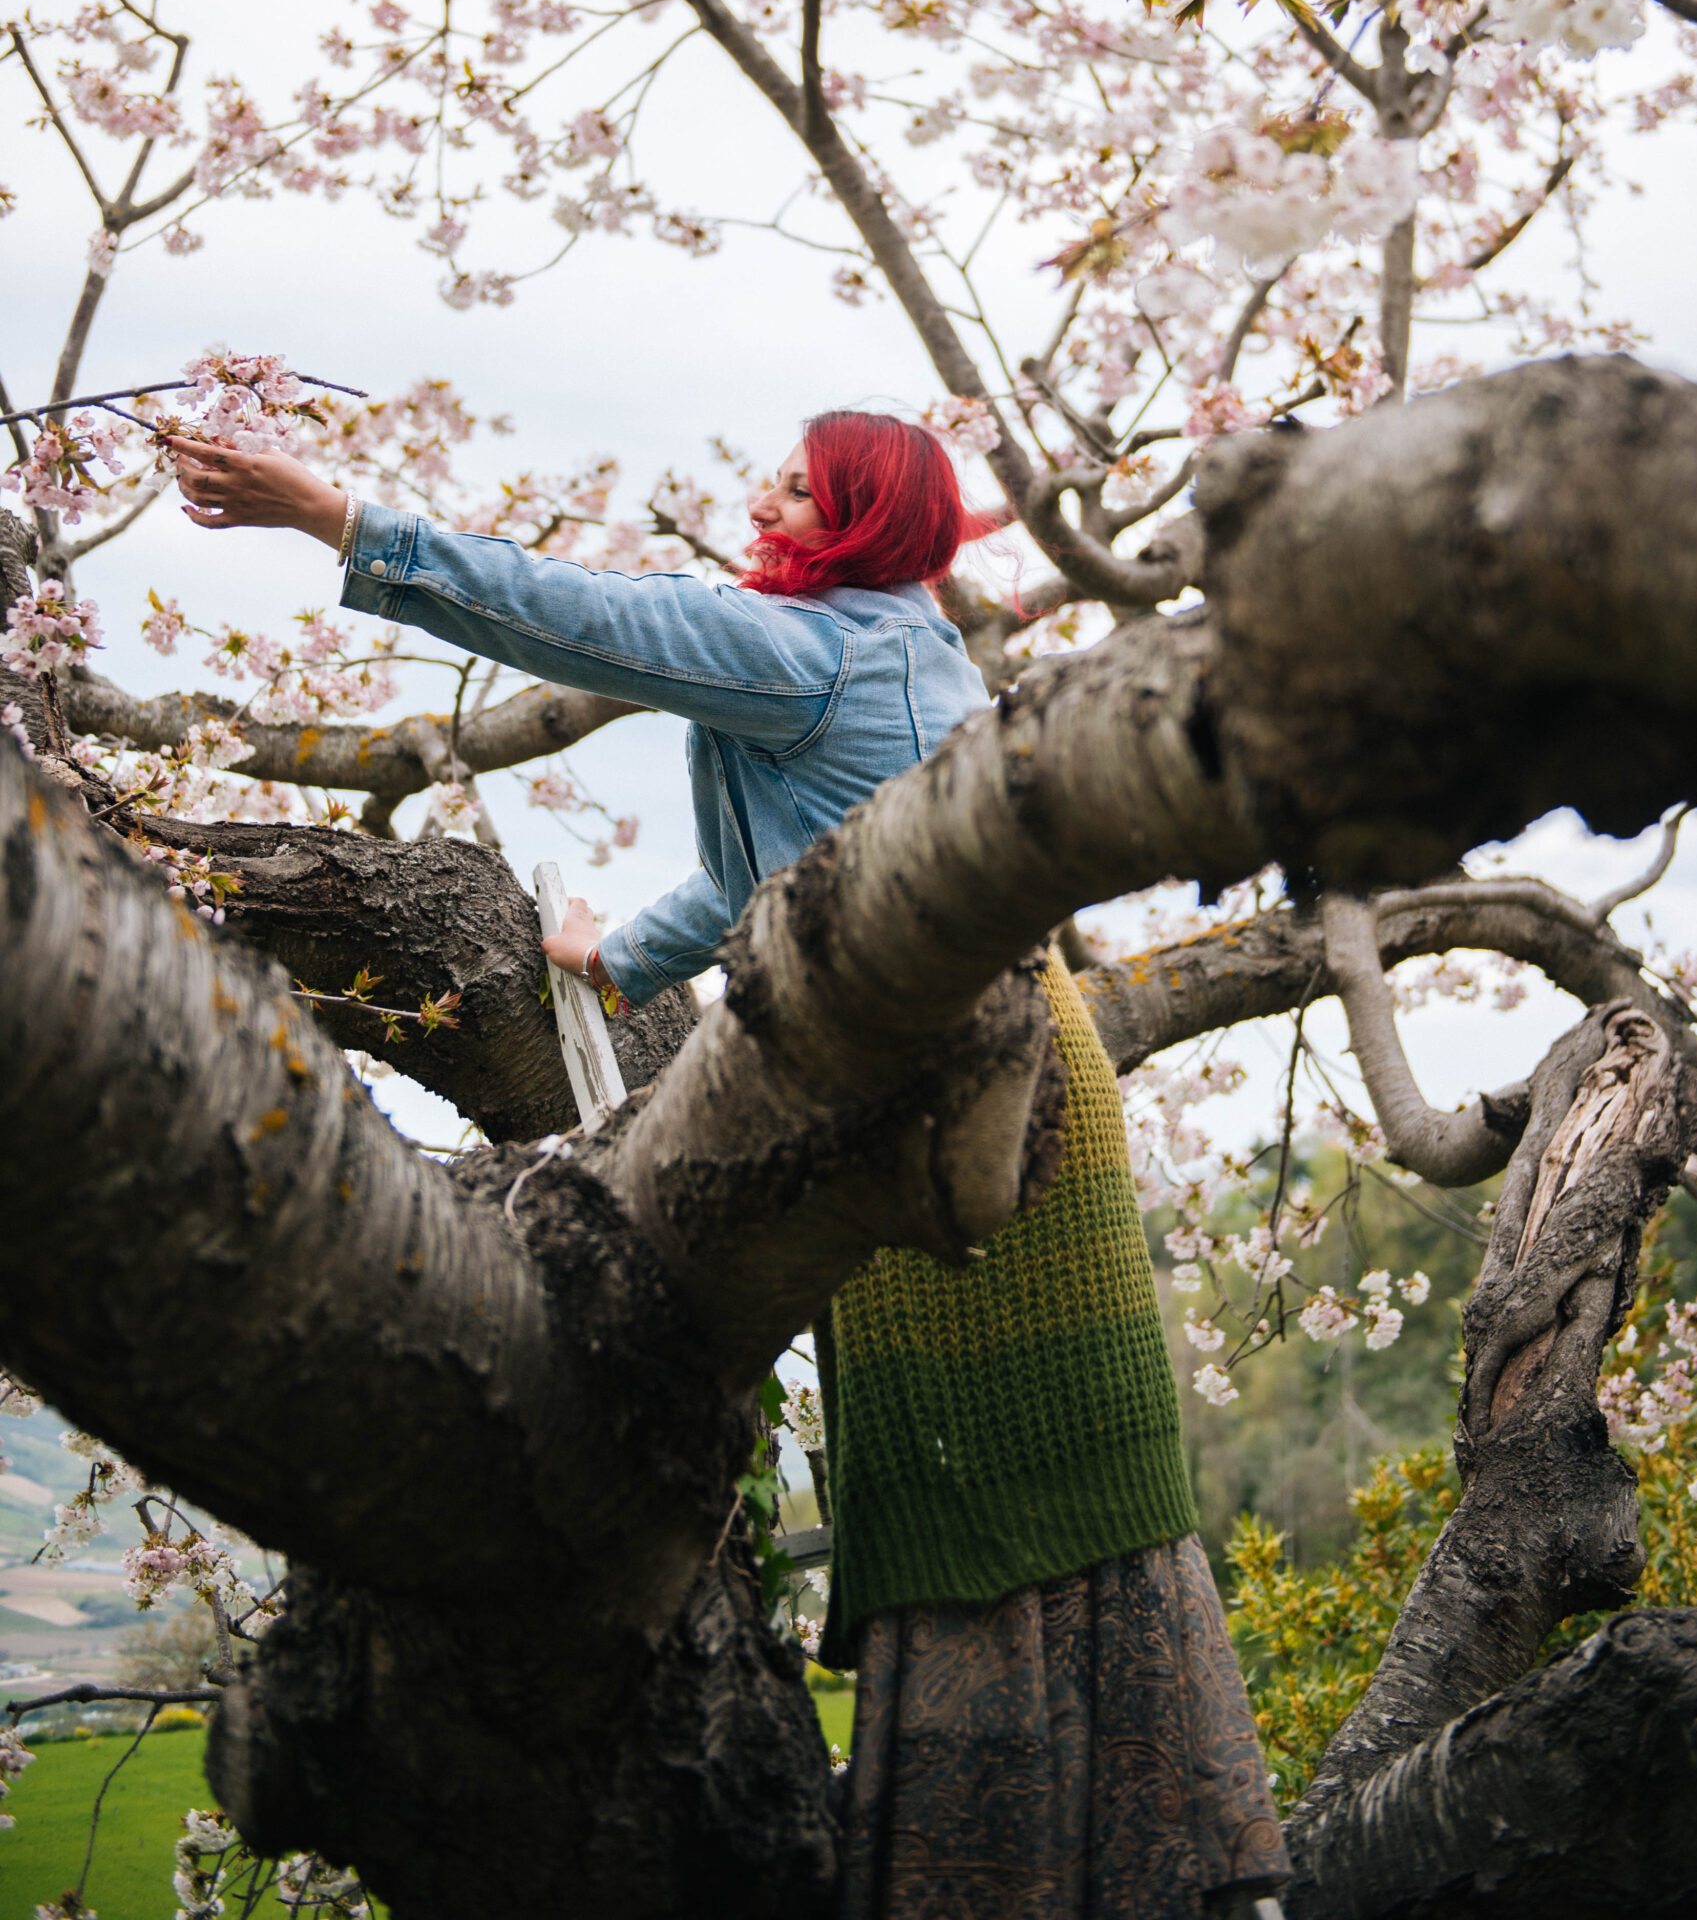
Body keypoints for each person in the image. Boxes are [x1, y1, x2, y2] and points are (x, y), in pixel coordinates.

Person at [168, 409, 1288, 1920]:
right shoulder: (910, 648)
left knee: (980, 1480)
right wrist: (619, 953)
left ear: (858, 516)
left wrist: (338, 518)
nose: (763, 489)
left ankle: (991, 1880)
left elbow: (590, 620)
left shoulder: (814, 649)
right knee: (1061, 1485)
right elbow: (798, 864)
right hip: (1019, 1082)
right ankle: (1151, 1862)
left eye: (799, 475)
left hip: (943, 1112)